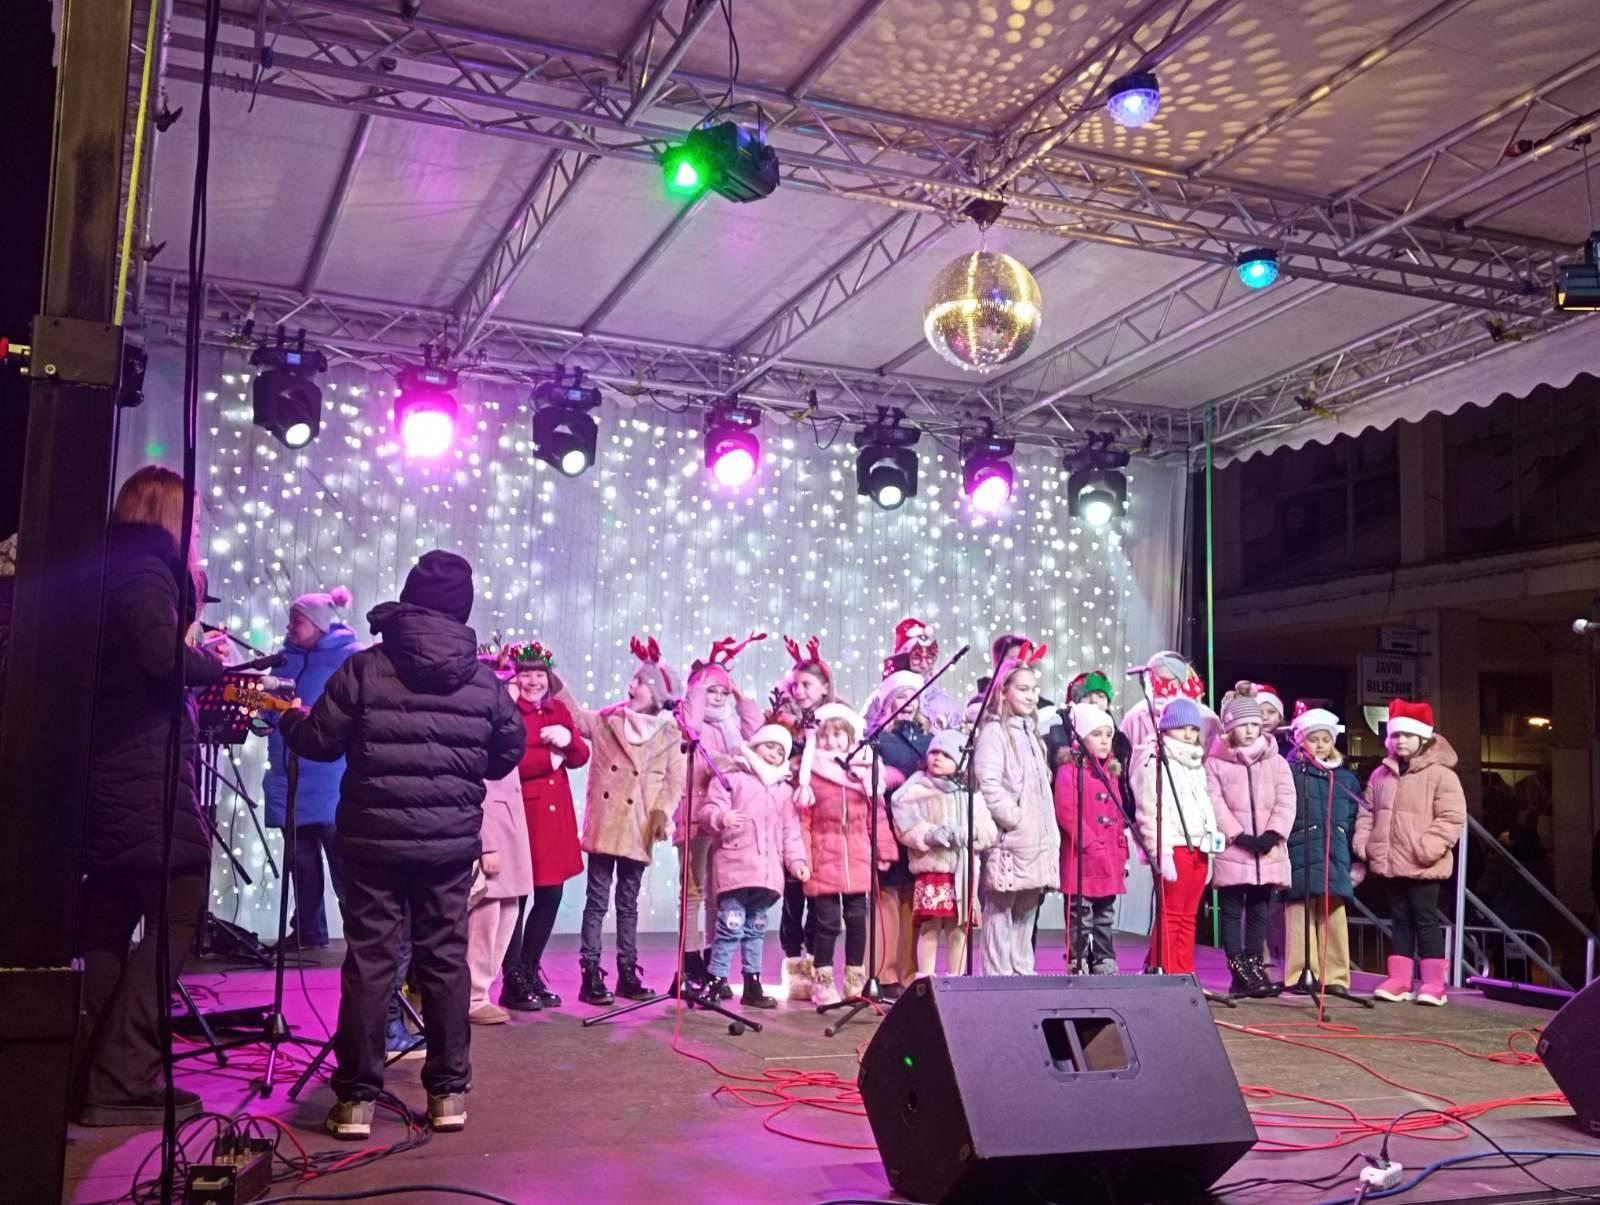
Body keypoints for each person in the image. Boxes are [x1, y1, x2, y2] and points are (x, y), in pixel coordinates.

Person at [280, 549, 526, 1139]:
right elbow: (506, 753)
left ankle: (356, 1102)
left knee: (372, 962)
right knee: (444, 961)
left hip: (372, 843)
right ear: (462, 609)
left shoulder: (365, 668)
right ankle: (448, 1095)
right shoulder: (484, 682)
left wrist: (288, 718)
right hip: (448, 847)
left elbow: (319, 742)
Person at [73, 466, 228, 1125]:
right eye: (192, 520)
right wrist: (210, 663)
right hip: (141, 772)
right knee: (179, 907)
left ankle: (86, 1067)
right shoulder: (146, 570)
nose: (197, 533)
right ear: (168, 516)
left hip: (106, 772)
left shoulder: (105, 568)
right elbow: (161, 657)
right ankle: (122, 1072)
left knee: (108, 920)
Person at [554, 636, 686, 1006]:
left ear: (656, 693)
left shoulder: (670, 735)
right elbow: (577, 717)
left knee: (628, 904)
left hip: (639, 828)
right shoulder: (608, 721)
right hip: (606, 824)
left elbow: (674, 781)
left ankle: (628, 971)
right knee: (597, 902)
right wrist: (553, 679)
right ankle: (590, 972)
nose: (632, 686)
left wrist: (661, 813)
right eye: (633, 680)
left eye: (641, 682)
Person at [262, 585, 359, 950]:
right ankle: (307, 931)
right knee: (300, 865)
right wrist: (262, 718)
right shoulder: (282, 660)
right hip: (289, 779)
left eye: (297, 621)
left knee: (344, 867)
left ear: (318, 624)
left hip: (332, 781)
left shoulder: (350, 658)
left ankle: (362, 937)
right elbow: (267, 711)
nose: (290, 627)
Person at [1354, 699, 1466, 1007]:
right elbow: (1367, 811)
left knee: (1425, 919)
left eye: (1407, 735)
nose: (1400, 740)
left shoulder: (1442, 775)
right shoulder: (1381, 775)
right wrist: (1366, 843)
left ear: (1423, 738)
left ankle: (1433, 984)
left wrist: (1427, 848)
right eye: (1395, 735)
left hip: (1422, 863)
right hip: (1390, 861)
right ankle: (1400, 980)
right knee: (1399, 919)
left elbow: (1452, 817)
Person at [694, 724, 811, 1008]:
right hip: (736, 867)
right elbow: (707, 810)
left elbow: (790, 831)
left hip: (767, 875)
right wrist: (721, 817)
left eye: (780, 751)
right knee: (730, 926)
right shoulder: (732, 777)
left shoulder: (783, 790)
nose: (773, 754)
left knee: (756, 929)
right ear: (755, 745)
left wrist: (797, 861)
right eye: (769, 746)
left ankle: (752, 983)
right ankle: (715, 979)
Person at [500, 641, 588, 1012]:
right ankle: (512, 979)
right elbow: (504, 760)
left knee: (550, 896)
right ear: (515, 678)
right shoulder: (507, 711)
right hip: (525, 817)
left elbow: (580, 756)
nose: (534, 681)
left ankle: (530, 968)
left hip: (556, 819)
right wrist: (546, 759)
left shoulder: (558, 709)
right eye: (526, 674)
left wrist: (569, 742)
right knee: (517, 900)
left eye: (539, 674)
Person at [677, 634, 765, 990]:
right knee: (693, 890)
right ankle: (689, 959)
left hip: (726, 818)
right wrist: (699, 686)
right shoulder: (690, 721)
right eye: (711, 691)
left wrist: (740, 694)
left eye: (722, 692)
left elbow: (756, 734)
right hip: (695, 816)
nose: (717, 698)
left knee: (720, 890)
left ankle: (715, 961)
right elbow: (690, 726)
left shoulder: (730, 726)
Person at [797, 702, 896, 1005]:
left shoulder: (863, 771)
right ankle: (823, 981)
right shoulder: (811, 773)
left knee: (856, 919)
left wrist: (883, 849)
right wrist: (802, 858)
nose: (831, 741)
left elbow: (876, 815)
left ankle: (855, 979)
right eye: (825, 735)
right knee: (827, 922)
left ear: (851, 736)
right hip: (823, 856)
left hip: (857, 855)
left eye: (838, 734)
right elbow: (803, 821)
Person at [1205, 684, 1295, 997]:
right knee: (1231, 910)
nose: (1250, 731)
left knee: (1259, 909)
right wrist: (1237, 834)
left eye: (1255, 724)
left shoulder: (1276, 761)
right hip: (1234, 849)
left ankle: (1255, 965)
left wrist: (1272, 833)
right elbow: (1214, 801)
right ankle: (1238, 968)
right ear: (1229, 727)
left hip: (1266, 851)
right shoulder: (1215, 762)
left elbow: (1286, 799)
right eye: (1243, 725)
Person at [973, 650, 1059, 976]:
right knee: (1001, 907)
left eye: (1034, 689)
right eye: (1023, 689)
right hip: (1011, 838)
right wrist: (1015, 819)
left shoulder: (1032, 734)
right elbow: (989, 783)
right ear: (1004, 691)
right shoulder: (995, 732)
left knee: (1027, 906)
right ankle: (997, 976)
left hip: (1036, 838)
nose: (1031, 695)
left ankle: (1022, 971)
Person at [893, 729, 996, 978]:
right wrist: (930, 834)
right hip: (934, 870)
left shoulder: (970, 793)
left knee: (957, 928)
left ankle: (956, 979)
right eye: (934, 752)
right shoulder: (918, 790)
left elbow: (988, 830)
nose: (937, 758)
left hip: (962, 872)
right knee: (930, 926)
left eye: (946, 754)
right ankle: (926, 978)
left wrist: (969, 833)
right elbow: (905, 825)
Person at [465, 662, 533, 1025]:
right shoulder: (481, 724)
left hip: (511, 828)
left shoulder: (505, 722)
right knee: (485, 915)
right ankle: (473, 994)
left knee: (508, 911)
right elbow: (479, 787)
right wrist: (486, 843)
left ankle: (482, 990)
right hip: (493, 830)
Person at [1133, 696, 1222, 976]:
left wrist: (1210, 848)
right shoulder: (1154, 759)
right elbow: (1149, 808)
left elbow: (1206, 805)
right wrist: (1162, 851)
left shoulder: (1196, 763)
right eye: (1181, 727)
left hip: (1199, 846)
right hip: (1175, 846)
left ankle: (1185, 972)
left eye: (1193, 729)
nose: (1188, 734)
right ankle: (1166, 970)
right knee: (1171, 913)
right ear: (1166, 727)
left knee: (1189, 916)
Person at [1284, 706, 1365, 998]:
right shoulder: (1292, 773)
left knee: (1333, 913)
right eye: (1313, 739)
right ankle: (1300, 973)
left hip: (1335, 852)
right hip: (1301, 848)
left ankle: (1335, 975)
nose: (1320, 745)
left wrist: (1357, 856)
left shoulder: (1345, 778)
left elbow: (1354, 817)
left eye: (1325, 739)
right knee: (1299, 913)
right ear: (1300, 741)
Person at [771, 634, 834, 1000]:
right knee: (793, 895)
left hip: (824, 822)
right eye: (795, 685)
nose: (800, 691)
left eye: (807, 684)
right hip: (792, 818)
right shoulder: (784, 723)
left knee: (821, 898)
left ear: (824, 688)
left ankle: (817, 964)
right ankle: (794, 964)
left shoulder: (835, 723)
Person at [1054, 702, 1129, 975]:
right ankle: (1078, 959)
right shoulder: (1070, 770)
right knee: (1080, 915)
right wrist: (1088, 842)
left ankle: (1103, 958)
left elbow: (1117, 815)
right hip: (1082, 858)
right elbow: (1066, 811)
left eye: (1108, 735)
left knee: (1104, 915)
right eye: (1097, 734)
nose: (1105, 741)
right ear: (1082, 737)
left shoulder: (1111, 773)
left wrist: (1121, 852)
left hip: (1108, 858)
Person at [868, 669, 928, 997]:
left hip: (919, 827)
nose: (907, 702)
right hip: (888, 825)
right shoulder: (878, 739)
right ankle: (884, 973)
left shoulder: (929, 739)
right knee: (887, 898)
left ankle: (909, 972)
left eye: (912, 696)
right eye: (900, 697)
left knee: (913, 901)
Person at [1121, 651, 1220, 773]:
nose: (1156, 685)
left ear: (1180, 681)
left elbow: (1213, 766)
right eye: (1151, 679)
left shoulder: (1206, 718)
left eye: (1163, 680)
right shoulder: (1134, 717)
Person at [866, 617, 961, 730]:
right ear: (901, 660)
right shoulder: (880, 699)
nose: (924, 665)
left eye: (929, 657)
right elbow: (866, 733)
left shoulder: (946, 705)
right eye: (916, 658)